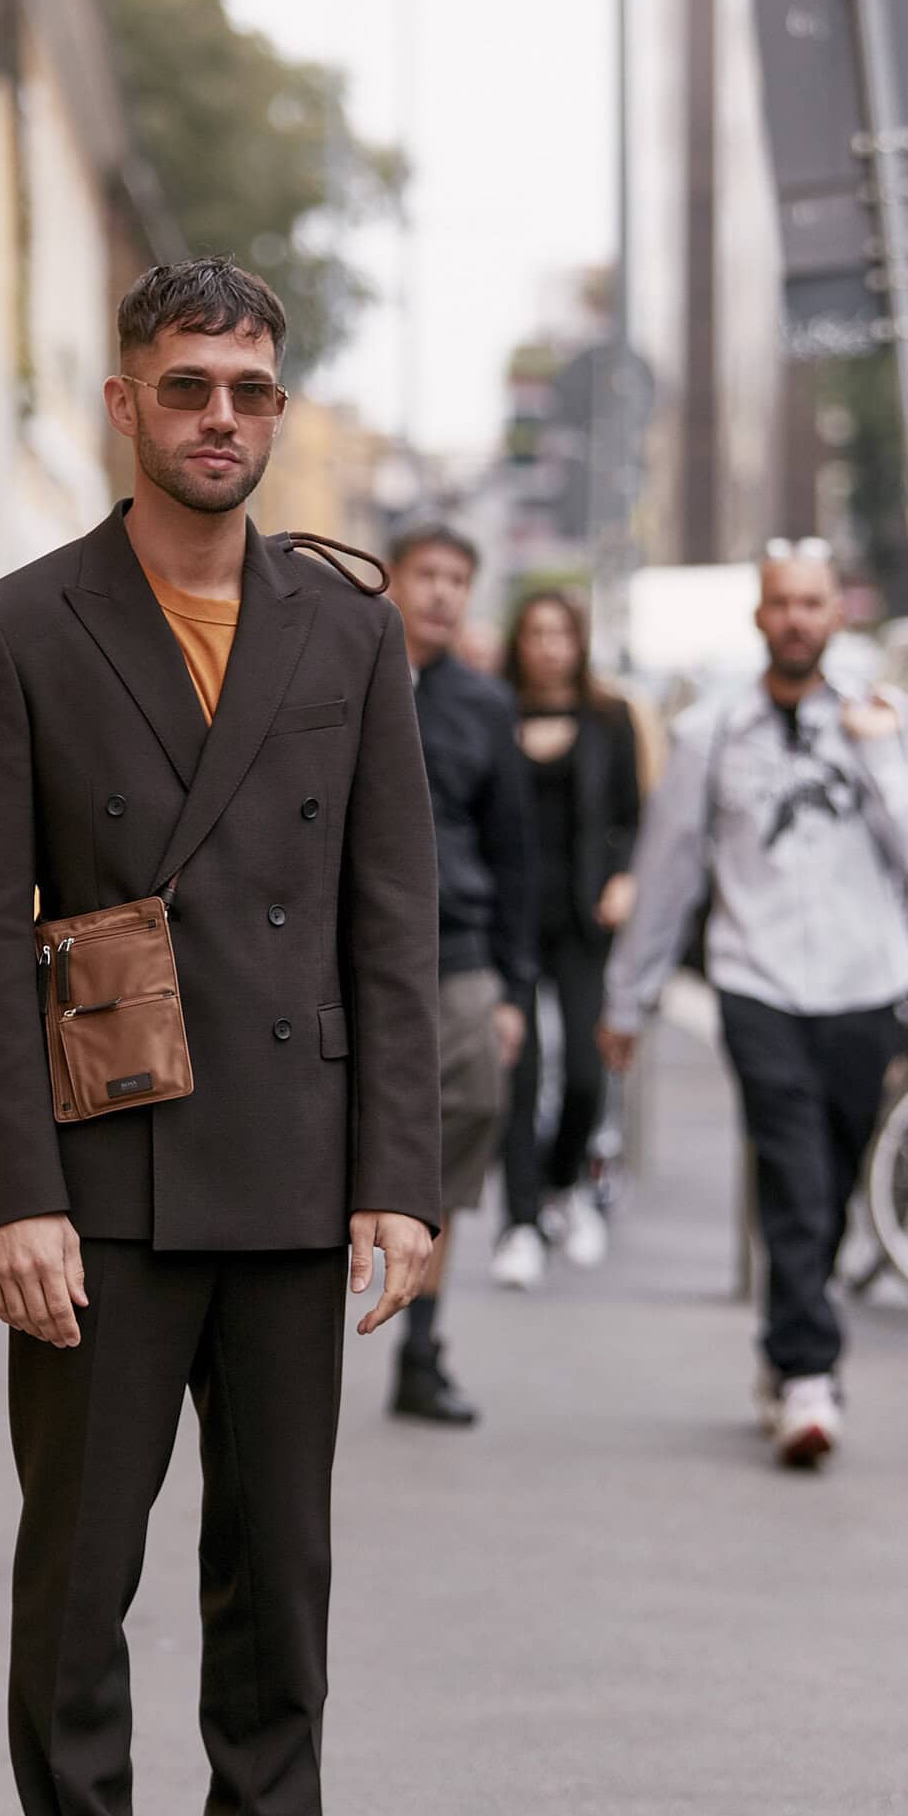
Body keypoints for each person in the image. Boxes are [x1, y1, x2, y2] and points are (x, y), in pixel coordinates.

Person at [0, 258, 440, 1816]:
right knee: (82, 1565)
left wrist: (401, 1175)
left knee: (278, 1563)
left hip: (296, 1162)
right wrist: (10, 1192)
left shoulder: (347, 630)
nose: (220, 416)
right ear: (125, 405)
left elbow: (392, 917)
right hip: (103, 1170)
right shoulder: (20, 628)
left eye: (248, 389)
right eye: (187, 385)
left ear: (276, 411)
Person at [598, 544, 908, 1469]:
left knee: (834, 1179)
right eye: (782, 603)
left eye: (812, 603)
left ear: (836, 616)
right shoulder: (713, 731)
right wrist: (629, 999)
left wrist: (883, 755)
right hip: (759, 982)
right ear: (760, 617)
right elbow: (668, 871)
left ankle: (786, 1345)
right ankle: (809, 1374)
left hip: (867, 982)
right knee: (792, 1173)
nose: (796, 618)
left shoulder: (881, 718)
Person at [385, 521, 536, 1424]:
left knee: (462, 1127)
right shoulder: (343, 676)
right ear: (392, 579)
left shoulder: (483, 704)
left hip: (463, 951)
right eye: (427, 574)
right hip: (351, 953)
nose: (442, 592)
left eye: (457, 579)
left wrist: (515, 988)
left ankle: (420, 1349)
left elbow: (514, 851)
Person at [493, 589, 642, 1288]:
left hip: (585, 919)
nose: (550, 646)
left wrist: (626, 877)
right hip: (510, 921)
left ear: (580, 643)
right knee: (517, 1077)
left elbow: (632, 815)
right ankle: (520, 1222)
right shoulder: (493, 712)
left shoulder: (609, 718)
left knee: (586, 1073)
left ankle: (562, 1184)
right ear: (518, 642)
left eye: (562, 633)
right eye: (537, 632)